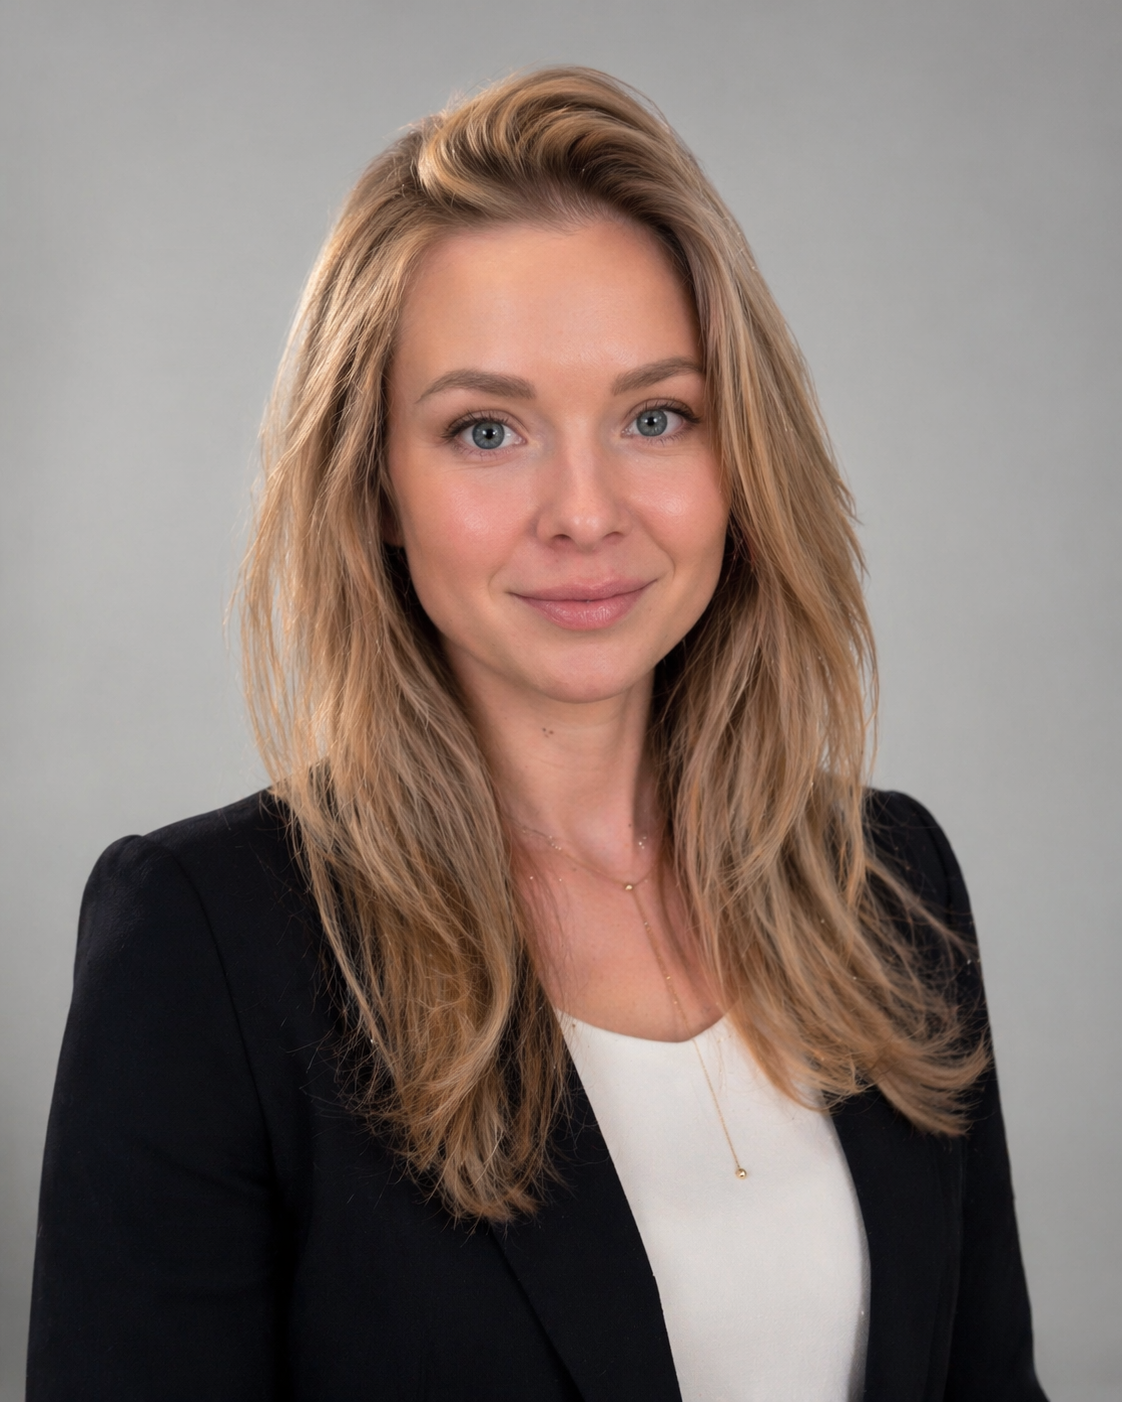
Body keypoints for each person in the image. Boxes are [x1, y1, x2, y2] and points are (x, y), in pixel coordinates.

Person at [27, 67, 1046, 1401]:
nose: (584, 509)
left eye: (653, 416)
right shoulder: (206, 944)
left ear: (740, 455)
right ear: (373, 482)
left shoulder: (887, 882)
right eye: (487, 429)